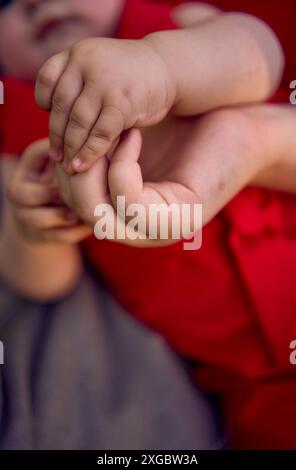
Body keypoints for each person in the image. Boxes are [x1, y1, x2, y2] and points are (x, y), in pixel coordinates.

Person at [1, 0, 295, 449]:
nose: (36, 2)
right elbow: (46, 284)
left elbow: (262, 57)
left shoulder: (173, 26)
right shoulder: (16, 130)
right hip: (250, 383)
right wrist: (34, 231)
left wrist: (163, 64)